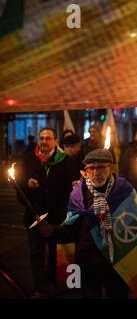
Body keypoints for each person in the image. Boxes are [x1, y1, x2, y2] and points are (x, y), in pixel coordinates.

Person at [38, 149, 137, 299]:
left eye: (101, 167)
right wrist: (52, 231)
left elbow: (136, 229)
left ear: (110, 168)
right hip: (87, 262)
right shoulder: (77, 195)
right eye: (91, 168)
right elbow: (71, 231)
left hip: (117, 262)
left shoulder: (123, 191)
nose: (96, 172)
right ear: (85, 171)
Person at [17, 127, 77, 298]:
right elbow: (18, 185)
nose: (44, 141)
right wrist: (26, 185)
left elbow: (71, 186)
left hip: (55, 216)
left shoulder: (65, 160)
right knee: (36, 252)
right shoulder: (29, 159)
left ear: (55, 141)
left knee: (54, 251)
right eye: (41, 138)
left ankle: (52, 283)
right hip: (34, 215)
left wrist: (74, 187)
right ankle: (40, 287)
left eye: (48, 138)